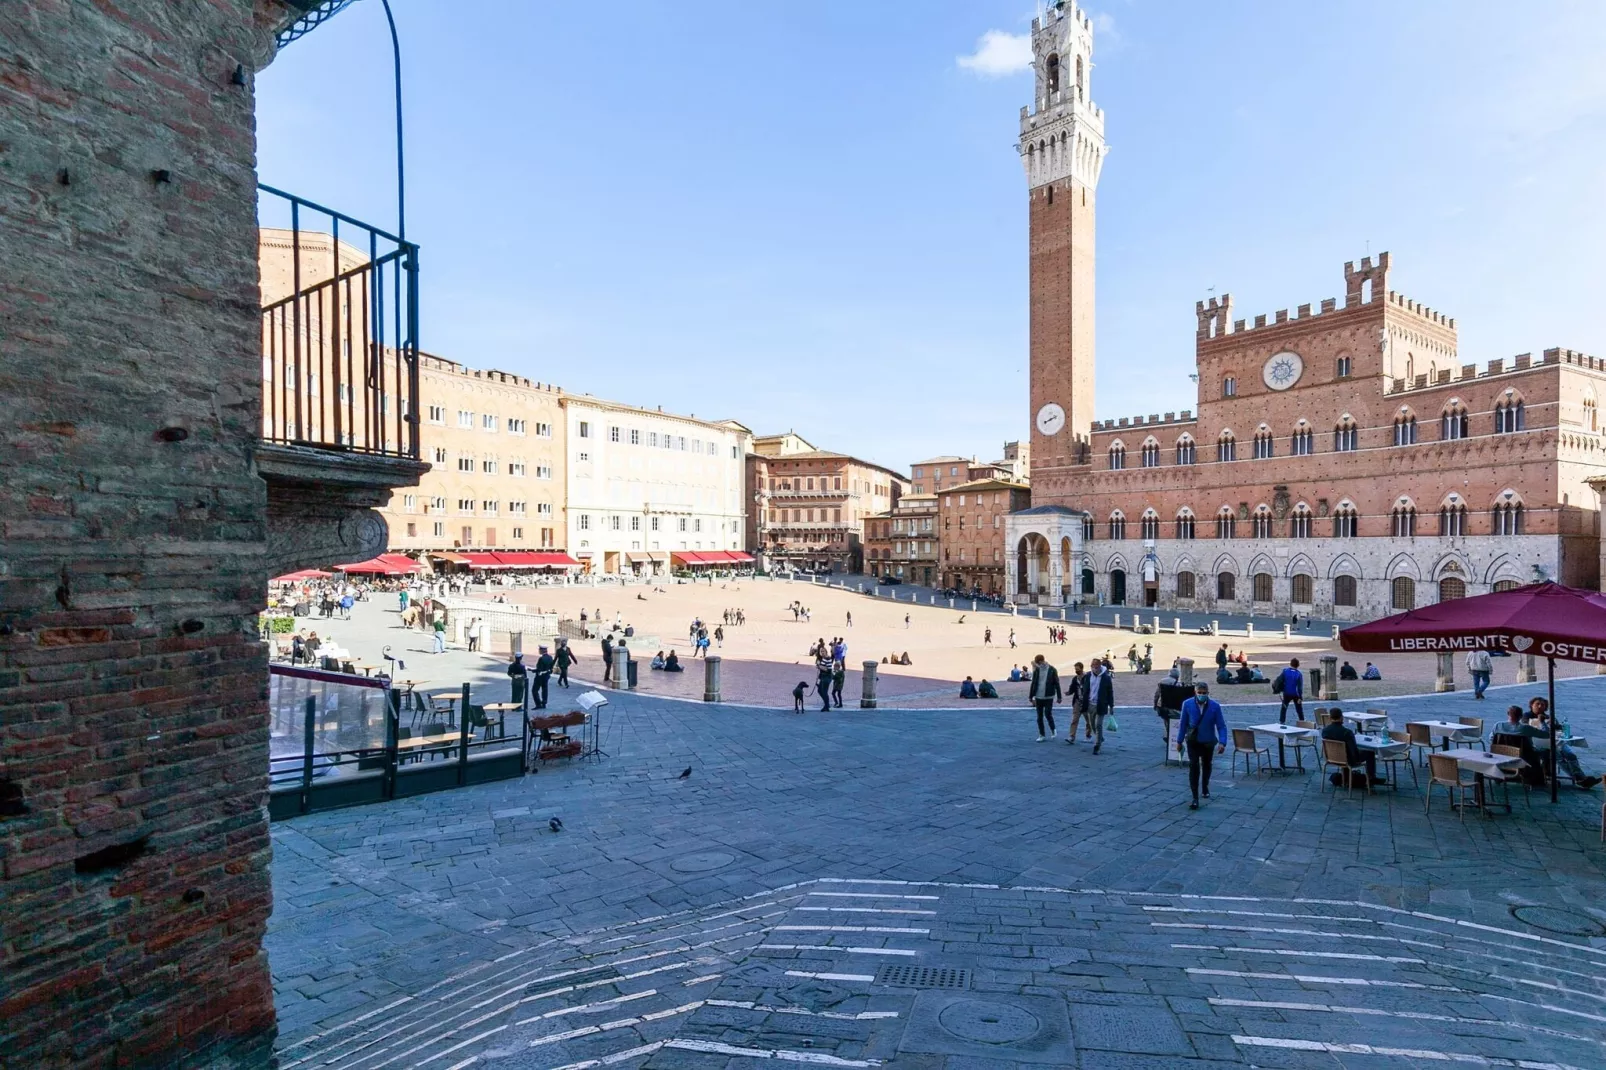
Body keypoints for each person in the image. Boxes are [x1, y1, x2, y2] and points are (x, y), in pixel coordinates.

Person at [1176, 682, 1228, 810]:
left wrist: (1222, 742)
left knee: (1206, 764)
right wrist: (1179, 741)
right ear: (1195, 692)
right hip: (1193, 740)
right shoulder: (1187, 704)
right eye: (1199, 693)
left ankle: (1205, 786)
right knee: (1194, 766)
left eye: (1204, 693)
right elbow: (1183, 724)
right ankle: (1195, 797)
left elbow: (1221, 725)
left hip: (1208, 741)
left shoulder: (1215, 706)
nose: (1201, 695)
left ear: (1208, 693)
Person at [1528, 697, 1601, 788]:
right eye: (1537, 704)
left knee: (1570, 755)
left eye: (1542, 704)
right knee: (1558, 757)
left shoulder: (1549, 716)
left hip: (1556, 742)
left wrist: (1557, 726)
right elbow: (1543, 733)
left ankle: (1582, 777)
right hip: (1540, 745)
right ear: (1531, 705)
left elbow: (1558, 729)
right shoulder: (1527, 717)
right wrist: (1542, 722)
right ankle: (1578, 779)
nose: (1540, 706)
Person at [1321, 709, 1376, 786]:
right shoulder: (1347, 732)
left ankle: (1346, 778)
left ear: (1330, 718)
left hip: (1331, 758)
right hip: (1347, 760)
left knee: (1345, 752)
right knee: (1370, 753)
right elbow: (1353, 752)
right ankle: (1371, 778)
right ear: (1341, 717)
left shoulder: (1325, 731)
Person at [1028, 654, 1061, 741]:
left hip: (1048, 696)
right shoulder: (1037, 671)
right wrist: (1031, 696)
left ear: (1041, 662)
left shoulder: (1052, 670)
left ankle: (1053, 729)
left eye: (1037, 663)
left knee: (1048, 714)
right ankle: (1041, 734)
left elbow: (1057, 683)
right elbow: (1033, 683)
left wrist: (1059, 696)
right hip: (1039, 696)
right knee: (1039, 716)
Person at [1088, 658, 1114, 754]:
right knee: (1092, 725)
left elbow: (1110, 692)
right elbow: (1086, 689)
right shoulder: (1088, 676)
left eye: (1096, 667)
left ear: (1100, 667)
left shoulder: (1106, 677)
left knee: (1098, 724)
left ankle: (1097, 745)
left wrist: (1111, 706)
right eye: (1093, 667)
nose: (1095, 669)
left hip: (1101, 704)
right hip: (1091, 704)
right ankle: (1100, 737)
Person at [1276, 658, 1304, 725]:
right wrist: (1300, 697)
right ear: (1298, 665)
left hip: (1286, 692)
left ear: (1290, 664)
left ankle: (1282, 721)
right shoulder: (1299, 674)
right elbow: (1300, 687)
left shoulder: (1285, 671)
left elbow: (1280, 680)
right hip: (1295, 694)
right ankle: (1302, 720)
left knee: (1284, 707)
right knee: (1299, 708)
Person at [815, 645, 834, 711]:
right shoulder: (823, 658)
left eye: (823, 651)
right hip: (823, 677)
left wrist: (819, 666)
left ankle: (826, 706)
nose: (822, 652)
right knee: (820, 691)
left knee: (824, 692)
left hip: (827, 677)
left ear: (826, 652)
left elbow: (828, 669)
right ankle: (826, 704)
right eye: (821, 651)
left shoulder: (828, 658)